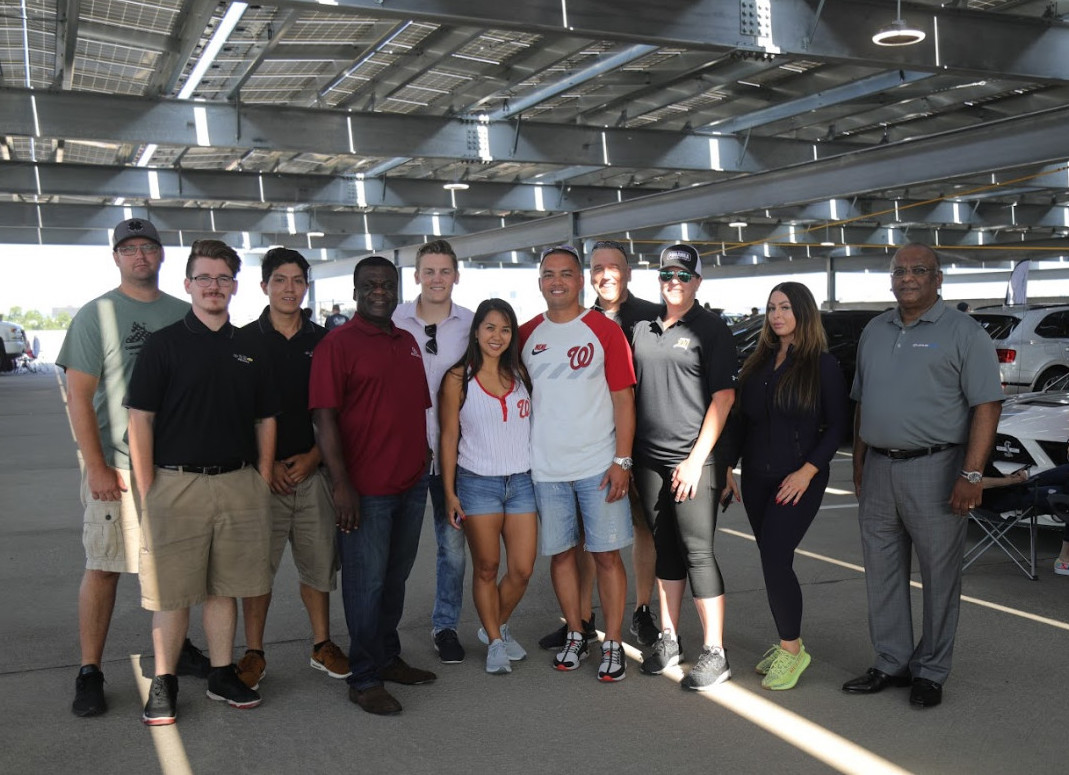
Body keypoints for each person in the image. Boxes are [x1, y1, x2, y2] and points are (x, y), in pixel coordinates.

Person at [56, 217, 208, 718]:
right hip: (117, 468)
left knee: (179, 567)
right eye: (129, 249)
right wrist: (95, 466)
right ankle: (90, 670)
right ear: (116, 258)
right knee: (104, 568)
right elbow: (78, 396)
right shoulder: (96, 314)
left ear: (162, 256)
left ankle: (176, 652)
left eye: (148, 247)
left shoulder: (186, 312)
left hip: (176, 467)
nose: (140, 255)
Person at [126, 239, 279, 725]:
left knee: (225, 587)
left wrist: (263, 477)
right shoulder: (164, 345)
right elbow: (140, 420)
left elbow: (266, 419)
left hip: (239, 483)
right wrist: (150, 489)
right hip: (176, 486)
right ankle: (165, 681)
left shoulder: (251, 348)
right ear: (188, 283)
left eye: (223, 278)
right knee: (173, 593)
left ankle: (219, 674)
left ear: (235, 286)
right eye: (205, 277)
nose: (214, 287)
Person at [845, 243, 1002, 709]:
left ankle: (931, 670)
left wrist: (971, 474)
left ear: (938, 279)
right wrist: (858, 461)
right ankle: (891, 661)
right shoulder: (875, 330)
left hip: (936, 468)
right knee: (882, 571)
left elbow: (986, 406)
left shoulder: (964, 332)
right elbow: (861, 401)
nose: (907, 278)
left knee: (939, 575)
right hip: (878, 469)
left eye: (919, 270)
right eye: (900, 271)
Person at [310, 255, 437, 716]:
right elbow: (323, 418)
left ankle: (386, 657)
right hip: (365, 490)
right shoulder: (337, 344)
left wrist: (422, 457)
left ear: (397, 287)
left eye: (386, 283)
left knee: (395, 579)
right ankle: (363, 679)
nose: (379, 290)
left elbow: (415, 406)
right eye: (370, 284)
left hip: (411, 483)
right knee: (365, 585)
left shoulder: (407, 342)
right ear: (356, 289)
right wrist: (341, 485)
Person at [722, 282, 848, 690]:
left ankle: (792, 651)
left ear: (804, 313)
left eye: (786, 308)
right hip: (757, 477)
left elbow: (838, 427)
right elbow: (741, 422)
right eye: (772, 308)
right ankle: (786, 643)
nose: (777, 315)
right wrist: (728, 467)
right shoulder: (757, 362)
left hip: (799, 479)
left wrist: (808, 470)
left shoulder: (821, 365)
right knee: (771, 559)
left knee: (776, 557)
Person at [520, 244, 636, 683]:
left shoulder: (604, 331)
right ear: (540, 282)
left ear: (580, 280)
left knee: (606, 555)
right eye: (548, 274)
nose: (557, 281)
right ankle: (575, 632)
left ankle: (612, 641)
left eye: (566, 274)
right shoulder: (527, 334)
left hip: (598, 465)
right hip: (546, 469)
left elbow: (623, 399)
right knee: (563, 555)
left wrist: (622, 460)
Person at [235, 248, 349, 690]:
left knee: (318, 566)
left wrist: (315, 458)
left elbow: (338, 412)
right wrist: (263, 465)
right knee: (255, 571)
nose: (288, 288)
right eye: (279, 280)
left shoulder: (325, 342)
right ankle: (253, 652)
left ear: (306, 286)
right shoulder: (241, 343)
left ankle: (322, 644)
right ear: (264, 285)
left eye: (297, 280)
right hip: (259, 479)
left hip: (311, 473)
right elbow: (233, 415)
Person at [539, 239, 661, 650]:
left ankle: (642, 611)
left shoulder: (652, 317)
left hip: (644, 442)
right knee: (587, 538)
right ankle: (585, 619)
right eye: (598, 268)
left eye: (614, 267)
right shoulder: (579, 320)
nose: (605, 274)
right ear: (588, 276)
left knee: (645, 528)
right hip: (593, 447)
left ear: (627, 273)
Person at [630, 244, 737, 690]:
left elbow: (724, 399)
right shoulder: (643, 327)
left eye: (682, 275)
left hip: (694, 461)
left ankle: (715, 651)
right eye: (666, 275)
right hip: (649, 460)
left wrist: (697, 462)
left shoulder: (711, 329)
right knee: (665, 548)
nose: (673, 282)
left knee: (698, 552)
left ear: (697, 282)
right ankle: (670, 639)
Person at [439, 298, 537, 674]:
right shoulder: (457, 378)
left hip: (521, 481)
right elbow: (448, 437)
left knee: (523, 569)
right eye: (490, 328)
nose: (497, 336)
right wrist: (449, 491)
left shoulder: (521, 374)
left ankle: (493, 624)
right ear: (476, 331)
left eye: (505, 329)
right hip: (477, 482)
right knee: (487, 567)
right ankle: (496, 640)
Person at [392, 239, 474, 664]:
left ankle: (445, 626)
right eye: (429, 271)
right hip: (403, 450)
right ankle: (384, 631)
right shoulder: (394, 320)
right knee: (397, 547)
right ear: (417, 276)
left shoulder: (473, 325)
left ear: (456, 276)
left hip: (453, 455)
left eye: (445, 271)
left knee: (452, 545)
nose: (437, 279)